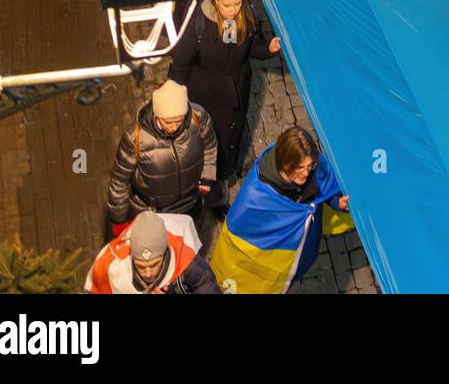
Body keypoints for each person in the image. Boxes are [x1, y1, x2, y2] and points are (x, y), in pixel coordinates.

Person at [170, 0, 280, 186]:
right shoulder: (198, 23)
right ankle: (205, 176)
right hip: (205, 91)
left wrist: (269, 49)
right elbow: (181, 62)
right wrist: (174, 93)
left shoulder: (247, 17)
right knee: (208, 136)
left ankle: (226, 171)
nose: (233, 10)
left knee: (232, 132)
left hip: (236, 87)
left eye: (237, 3)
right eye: (227, 5)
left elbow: (253, 48)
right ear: (215, 1)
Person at [210, 127, 350, 293]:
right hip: (276, 265)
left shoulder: (313, 165)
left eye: (310, 166)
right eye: (300, 168)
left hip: (303, 253)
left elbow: (324, 189)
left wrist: (336, 202)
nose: (306, 173)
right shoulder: (256, 194)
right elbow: (237, 235)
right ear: (285, 163)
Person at [106, 82, 217, 234]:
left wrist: (207, 177)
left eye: (180, 120)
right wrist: (119, 219)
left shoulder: (198, 117)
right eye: (168, 122)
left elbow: (210, 146)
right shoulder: (135, 138)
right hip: (154, 213)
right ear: (157, 114)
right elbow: (119, 181)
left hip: (190, 206)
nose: (174, 127)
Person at [86, 211, 221, 295]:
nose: (148, 273)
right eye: (141, 266)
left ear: (164, 253)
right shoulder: (110, 266)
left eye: (154, 264)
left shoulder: (189, 263)